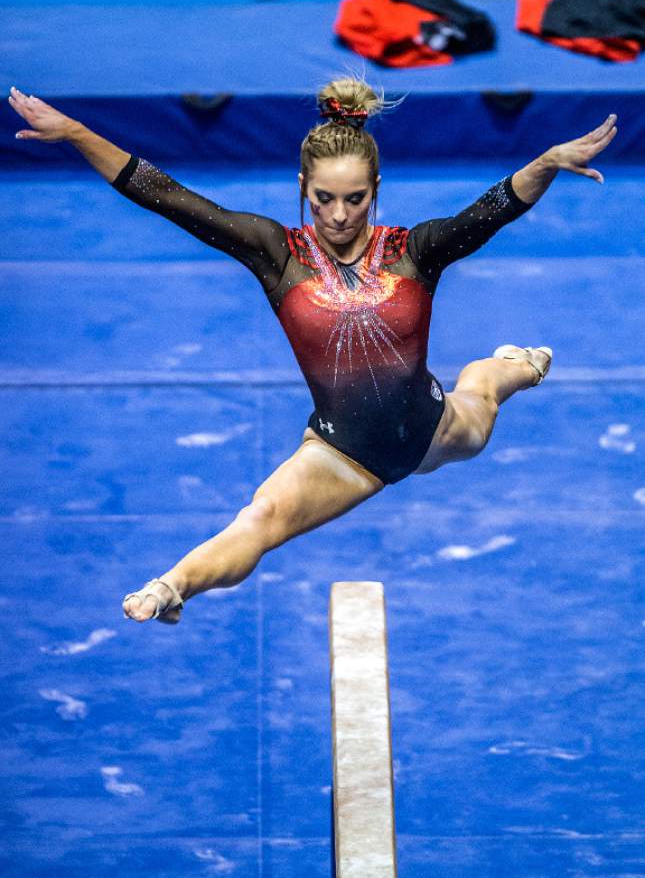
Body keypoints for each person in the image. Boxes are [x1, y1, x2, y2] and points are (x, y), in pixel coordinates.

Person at [8, 80, 618, 625]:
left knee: (483, 394)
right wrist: (77, 132)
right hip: (343, 452)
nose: (339, 214)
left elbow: (493, 209)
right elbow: (162, 192)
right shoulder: (277, 254)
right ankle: (172, 586)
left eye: (355, 199)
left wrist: (545, 161)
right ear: (303, 188)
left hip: (432, 427)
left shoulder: (416, 250)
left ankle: (514, 364)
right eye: (324, 198)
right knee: (262, 516)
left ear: (376, 189)